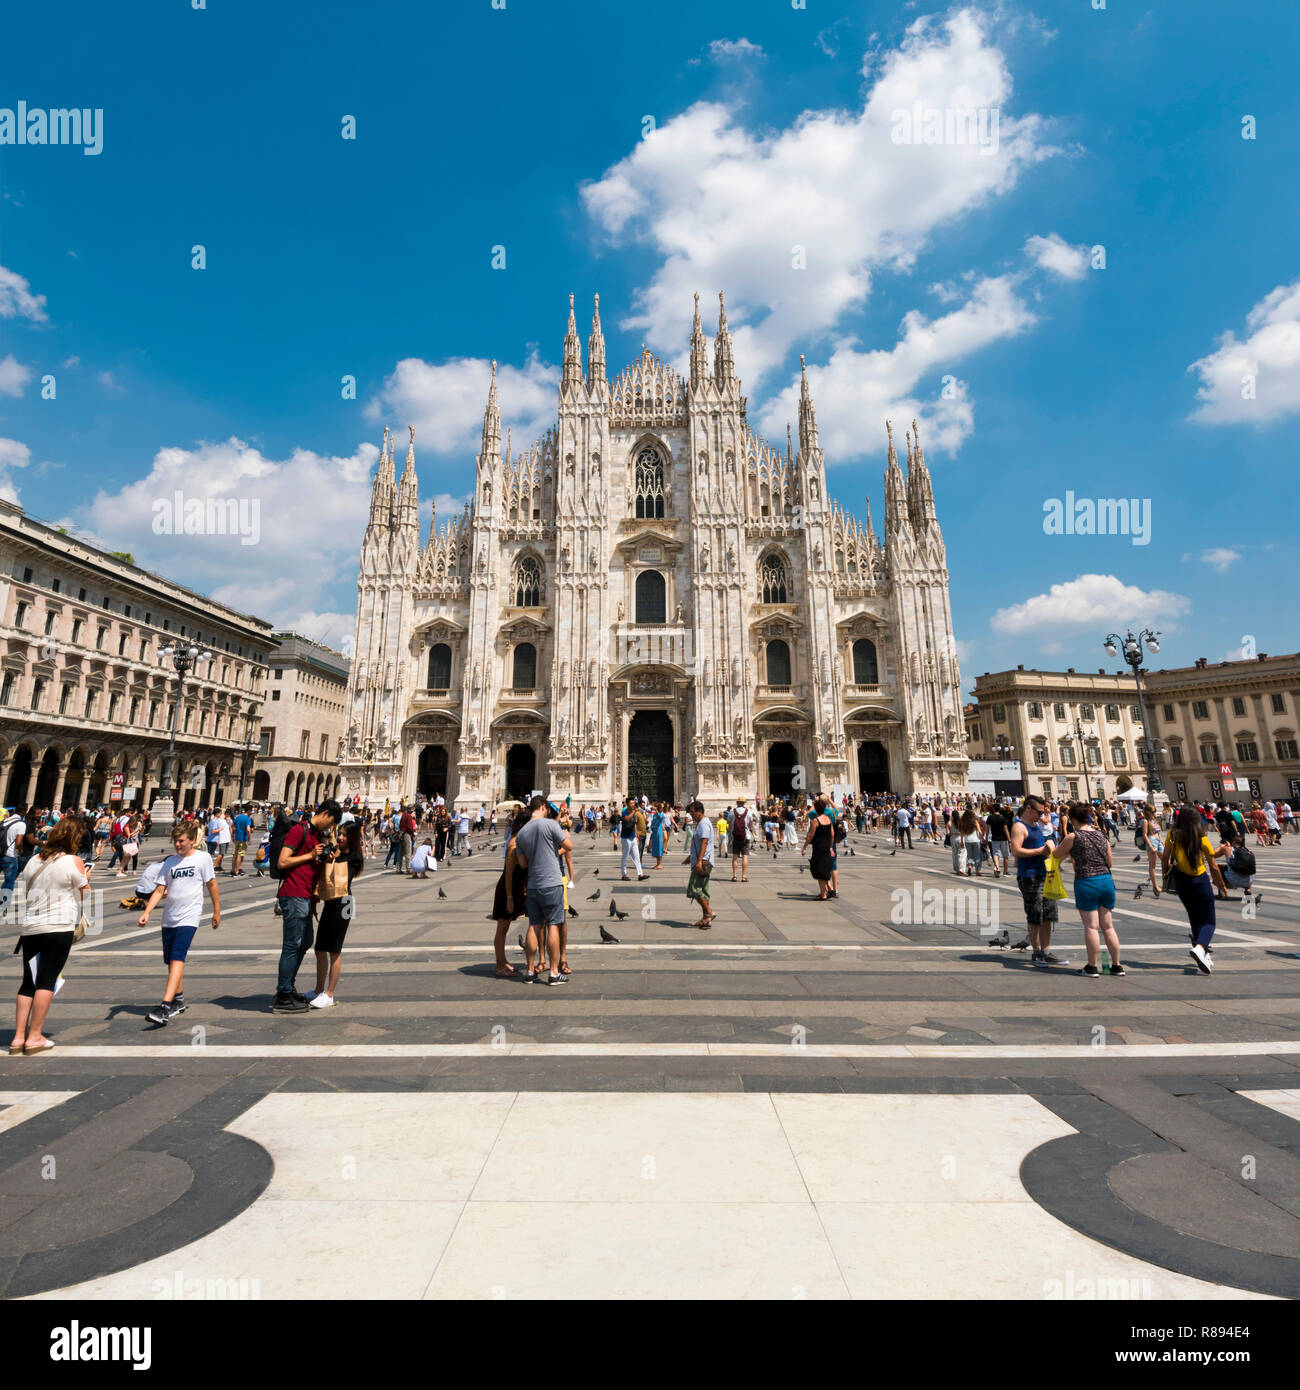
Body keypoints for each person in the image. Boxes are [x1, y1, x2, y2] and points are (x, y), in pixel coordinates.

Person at [9, 816, 89, 1055]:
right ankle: (35, 1037)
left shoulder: (34, 860)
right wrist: (86, 880)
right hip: (58, 927)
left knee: (28, 983)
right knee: (46, 981)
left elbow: (27, 894)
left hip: (31, 928)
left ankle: (17, 1038)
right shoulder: (73, 861)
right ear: (74, 837)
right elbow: (84, 895)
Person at [137, 821, 221, 1026]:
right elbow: (159, 890)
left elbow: (212, 884)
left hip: (189, 916)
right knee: (171, 961)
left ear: (192, 840)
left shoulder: (203, 858)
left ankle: (164, 1006)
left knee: (177, 958)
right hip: (169, 917)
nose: (177, 844)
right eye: (175, 841)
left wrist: (217, 911)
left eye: (181, 841)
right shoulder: (170, 863)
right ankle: (179, 1000)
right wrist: (147, 912)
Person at [273, 799, 341, 1011]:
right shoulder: (299, 830)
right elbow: (282, 862)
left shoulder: (314, 835)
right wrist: (310, 855)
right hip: (293, 894)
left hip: (305, 897)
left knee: (305, 942)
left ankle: (288, 986)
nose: (330, 828)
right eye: (331, 823)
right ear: (327, 814)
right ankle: (283, 995)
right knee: (292, 944)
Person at [1055, 803, 1123, 978]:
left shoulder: (1073, 836)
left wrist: (1049, 845)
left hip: (1087, 881)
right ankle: (1116, 966)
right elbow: (1110, 862)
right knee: (1108, 926)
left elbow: (1056, 854)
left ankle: (1092, 967)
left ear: (1073, 819)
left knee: (1092, 927)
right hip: (1106, 881)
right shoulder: (1101, 835)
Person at [1161, 806, 1229, 975]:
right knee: (1209, 922)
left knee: (1194, 918)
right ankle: (1200, 948)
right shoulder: (1202, 838)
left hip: (1182, 881)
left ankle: (1204, 956)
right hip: (1200, 881)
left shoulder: (1172, 835)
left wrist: (1164, 878)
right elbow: (1213, 866)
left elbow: (1165, 857)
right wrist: (1221, 885)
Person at [513, 794, 573, 985]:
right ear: (544, 807)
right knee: (554, 924)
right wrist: (552, 852)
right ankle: (554, 973)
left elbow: (522, 864)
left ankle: (530, 971)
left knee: (534, 925)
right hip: (552, 882)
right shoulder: (551, 825)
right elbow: (569, 845)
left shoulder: (521, 833)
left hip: (533, 885)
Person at [309, 819, 364, 1009]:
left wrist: (335, 857)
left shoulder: (355, 857)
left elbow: (344, 875)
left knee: (334, 950)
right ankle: (318, 990)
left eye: (344, 835)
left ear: (352, 838)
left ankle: (330, 993)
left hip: (345, 903)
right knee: (319, 948)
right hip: (331, 902)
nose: (340, 837)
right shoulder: (336, 852)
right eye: (339, 834)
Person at [1009, 794, 1067, 967]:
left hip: (1044, 874)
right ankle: (1036, 952)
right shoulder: (1019, 827)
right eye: (1039, 812)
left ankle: (1046, 951)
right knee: (1035, 915)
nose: (1042, 815)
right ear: (1028, 808)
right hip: (1029, 876)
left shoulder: (1036, 825)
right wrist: (1040, 851)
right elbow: (1016, 851)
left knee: (1048, 914)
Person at [490, 806, 531, 979]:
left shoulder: (520, 841)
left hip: (516, 888)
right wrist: (509, 898)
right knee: (502, 927)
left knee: (505, 926)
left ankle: (503, 960)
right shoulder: (514, 844)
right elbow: (508, 873)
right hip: (507, 889)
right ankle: (500, 965)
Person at [684, 800, 716, 929]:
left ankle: (709, 912)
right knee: (703, 890)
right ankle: (706, 920)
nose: (691, 815)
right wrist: (690, 857)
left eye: (692, 812)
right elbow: (700, 844)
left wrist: (698, 861)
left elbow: (704, 842)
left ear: (699, 811)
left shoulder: (703, 824)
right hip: (704, 860)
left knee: (694, 889)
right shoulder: (703, 823)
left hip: (703, 862)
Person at [802, 797, 835, 900]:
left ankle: (823, 895)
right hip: (826, 847)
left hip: (818, 848)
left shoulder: (815, 821)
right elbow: (832, 834)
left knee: (818, 870)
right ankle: (829, 889)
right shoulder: (828, 819)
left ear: (816, 809)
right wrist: (830, 847)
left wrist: (804, 847)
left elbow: (810, 836)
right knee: (824, 869)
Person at [1139, 803, 1164, 898]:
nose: (1154, 813)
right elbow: (1145, 835)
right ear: (1148, 812)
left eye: (1155, 811)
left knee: (1167, 862)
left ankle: (1166, 882)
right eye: (1153, 812)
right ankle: (1155, 885)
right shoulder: (1145, 821)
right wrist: (1151, 846)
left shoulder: (1154, 820)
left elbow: (1158, 832)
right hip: (1152, 841)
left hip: (1158, 841)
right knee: (1152, 865)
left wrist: (1162, 841)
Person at [618, 798, 647, 882]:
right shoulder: (625, 812)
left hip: (633, 837)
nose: (633, 805)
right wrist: (634, 812)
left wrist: (636, 836)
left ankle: (640, 874)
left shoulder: (633, 813)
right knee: (625, 856)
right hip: (626, 838)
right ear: (627, 804)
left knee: (637, 856)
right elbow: (626, 819)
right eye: (631, 803)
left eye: (633, 803)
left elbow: (634, 824)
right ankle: (624, 874)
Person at [729, 798, 751, 883]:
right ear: (744, 803)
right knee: (745, 856)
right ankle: (743, 877)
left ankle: (734, 876)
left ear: (737, 803)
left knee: (735, 857)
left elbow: (729, 823)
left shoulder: (732, 812)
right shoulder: (748, 812)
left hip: (735, 836)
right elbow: (750, 824)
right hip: (745, 836)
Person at [231, 804, 252, 876]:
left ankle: (232, 869)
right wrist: (249, 839)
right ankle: (237, 871)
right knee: (240, 855)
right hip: (243, 839)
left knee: (235, 855)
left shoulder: (238, 817)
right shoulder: (248, 818)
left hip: (236, 838)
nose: (251, 812)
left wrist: (232, 836)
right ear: (248, 811)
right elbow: (248, 830)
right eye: (251, 811)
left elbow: (232, 826)